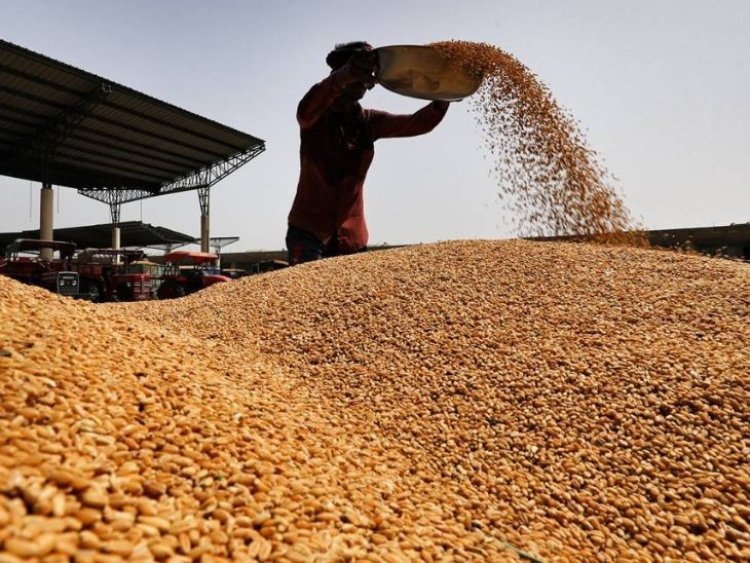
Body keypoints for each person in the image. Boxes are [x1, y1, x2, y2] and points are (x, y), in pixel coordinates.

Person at [286, 41, 450, 265]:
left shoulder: (369, 122)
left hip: (351, 238)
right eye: (361, 73)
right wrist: (346, 75)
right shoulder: (316, 115)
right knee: (306, 295)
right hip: (309, 233)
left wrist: (443, 98)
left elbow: (416, 123)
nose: (366, 81)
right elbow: (305, 112)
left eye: (369, 75)